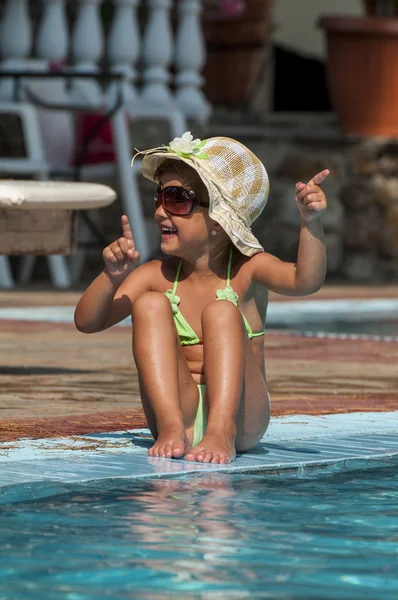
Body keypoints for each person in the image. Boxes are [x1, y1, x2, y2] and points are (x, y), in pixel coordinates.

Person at [74, 132, 329, 464]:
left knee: (222, 311)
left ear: (219, 222)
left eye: (177, 199)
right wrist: (112, 276)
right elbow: (87, 322)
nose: (161, 212)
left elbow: (305, 281)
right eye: (158, 198)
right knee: (149, 303)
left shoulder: (248, 270)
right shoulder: (156, 275)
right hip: (180, 414)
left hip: (242, 418)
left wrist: (310, 224)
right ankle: (170, 427)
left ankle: (219, 430)